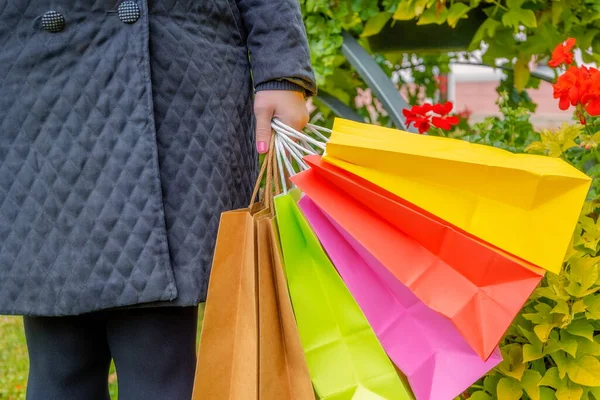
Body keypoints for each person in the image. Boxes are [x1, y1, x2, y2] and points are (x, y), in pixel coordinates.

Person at [0, 1, 316, 399]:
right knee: (61, 356)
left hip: (173, 73)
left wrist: (281, 68)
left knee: (156, 354)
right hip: (34, 67)